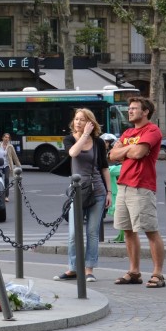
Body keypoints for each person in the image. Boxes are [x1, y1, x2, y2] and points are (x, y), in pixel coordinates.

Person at [109, 96, 166, 289]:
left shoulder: (152, 130)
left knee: (150, 230)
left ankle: (158, 273)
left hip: (142, 186)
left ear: (145, 111)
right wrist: (128, 149)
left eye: (134, 108)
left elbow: (138, 153)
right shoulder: (128, 132)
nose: (130, 111)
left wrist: (124, 149)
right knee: (128, 231)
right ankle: (134, 272)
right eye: (129, 108)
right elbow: (111, 155)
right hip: (123, 185)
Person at [54, 109, 112, 282]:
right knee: (73, 233)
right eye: (76, 119)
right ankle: (73, 268)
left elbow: (104, 167)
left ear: (90, 122)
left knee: (92, 232)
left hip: (98, 191)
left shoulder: (99, 143)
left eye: (82, 119)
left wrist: (109, 192)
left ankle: (88, 269)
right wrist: (84, 135)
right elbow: (73, 153)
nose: (78, 122)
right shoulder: (70, 139)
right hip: (77, 191)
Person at [0, 133, 22, 202]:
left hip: (6, 165)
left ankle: (6, 196)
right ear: (2, 138)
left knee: (6, 179)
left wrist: (19, 166)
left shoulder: (10, 147)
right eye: (5, 137)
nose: (6, 139)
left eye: (8, 138)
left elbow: (15, 157)